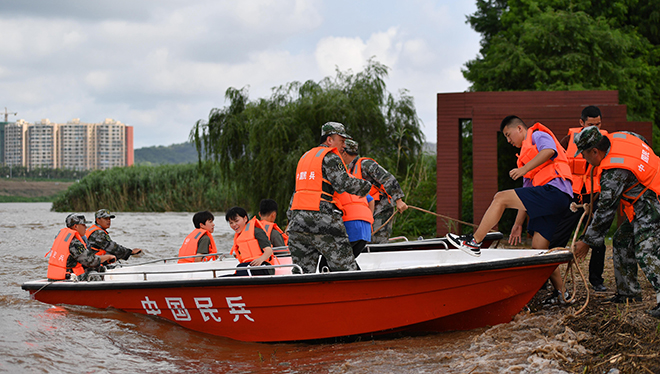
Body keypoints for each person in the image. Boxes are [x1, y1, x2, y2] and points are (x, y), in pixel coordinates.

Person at [447, 116, 573, 303]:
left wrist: (523, 170)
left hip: (556, 192)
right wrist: (517, 224)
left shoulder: (537, 135)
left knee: (500, 198)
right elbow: (526, 195)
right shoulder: (524, 158)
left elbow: (549, 150)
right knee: (539, 249)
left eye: (508, 135)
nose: (508, 140)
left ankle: (474, 242)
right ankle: (562, 294)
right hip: (551, 199)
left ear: (520, 129)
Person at [573, 126, 660, 319]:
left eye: (585, 155)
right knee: (621, 240)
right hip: (647, 199)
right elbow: (642, 140)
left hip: (652, 203)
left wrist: (586, 242)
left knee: (646, 251)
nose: (585, 160)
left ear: (595, 151)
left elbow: (605, 212)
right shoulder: (623, 137)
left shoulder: (614, 172)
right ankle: (628, 294)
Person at [286, 122, 373, 273]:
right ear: (329, 140)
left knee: (303, 273)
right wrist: (367, 186)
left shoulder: (305, 158)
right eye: (342, 141)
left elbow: (298, 191)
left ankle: (306, 296)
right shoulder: (331, 156)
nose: (344, 146)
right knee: (346, 268)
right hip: (322, 220)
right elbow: (343, 183)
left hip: (297, 223)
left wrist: (290, 219)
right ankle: (358, 294)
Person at [549, 106, 608, 292]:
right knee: (558, 237)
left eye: (598, 124)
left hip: (595, 196)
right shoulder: (567, 140)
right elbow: (555, 164)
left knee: (597, 239)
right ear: (581, 123)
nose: (595, 129)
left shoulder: (605, 141)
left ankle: (596, 280)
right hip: (573, 197)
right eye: (591, 124)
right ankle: (545, 275)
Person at [345, 141, 408, 244]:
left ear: (344, 153)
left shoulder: (366, 164)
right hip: (370, 209)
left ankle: (382, 258)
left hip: (382, 208)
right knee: (367, 239)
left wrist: (399, 200)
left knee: (378, 240)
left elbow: (388, 179)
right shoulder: (350, 170)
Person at [46, 213, 116, 281]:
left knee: (99, 268)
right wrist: (108, 257)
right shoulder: (74, 242)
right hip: (68, 277)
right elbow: (91, 261)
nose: (86, 227)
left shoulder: (64, 238)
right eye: (83, 224)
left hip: (60, 274)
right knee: (93, 275)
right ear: (76, 226)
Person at [226, 206, 276, 276]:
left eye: (236, 221)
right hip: (247, 266)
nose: (234, 225)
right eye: (231, 223)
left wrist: (260, 260)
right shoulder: (239, 237)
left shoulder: (256, 231)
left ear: (245, 218)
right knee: (237, 270)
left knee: (243, 269)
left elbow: (269, 250)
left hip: (263, 266)